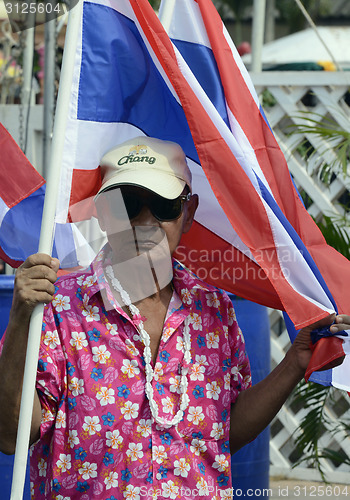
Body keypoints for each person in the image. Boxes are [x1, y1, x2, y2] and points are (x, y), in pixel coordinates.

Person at [0, 136, 348, 500]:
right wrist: (23, 317)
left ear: (188, 211)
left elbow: (224, 431)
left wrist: (293, 362)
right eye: (128, 205)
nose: (146, 221)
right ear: (103, 214)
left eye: (164, 205)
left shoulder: (213, 308)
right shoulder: (57, 307)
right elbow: (10, 435)